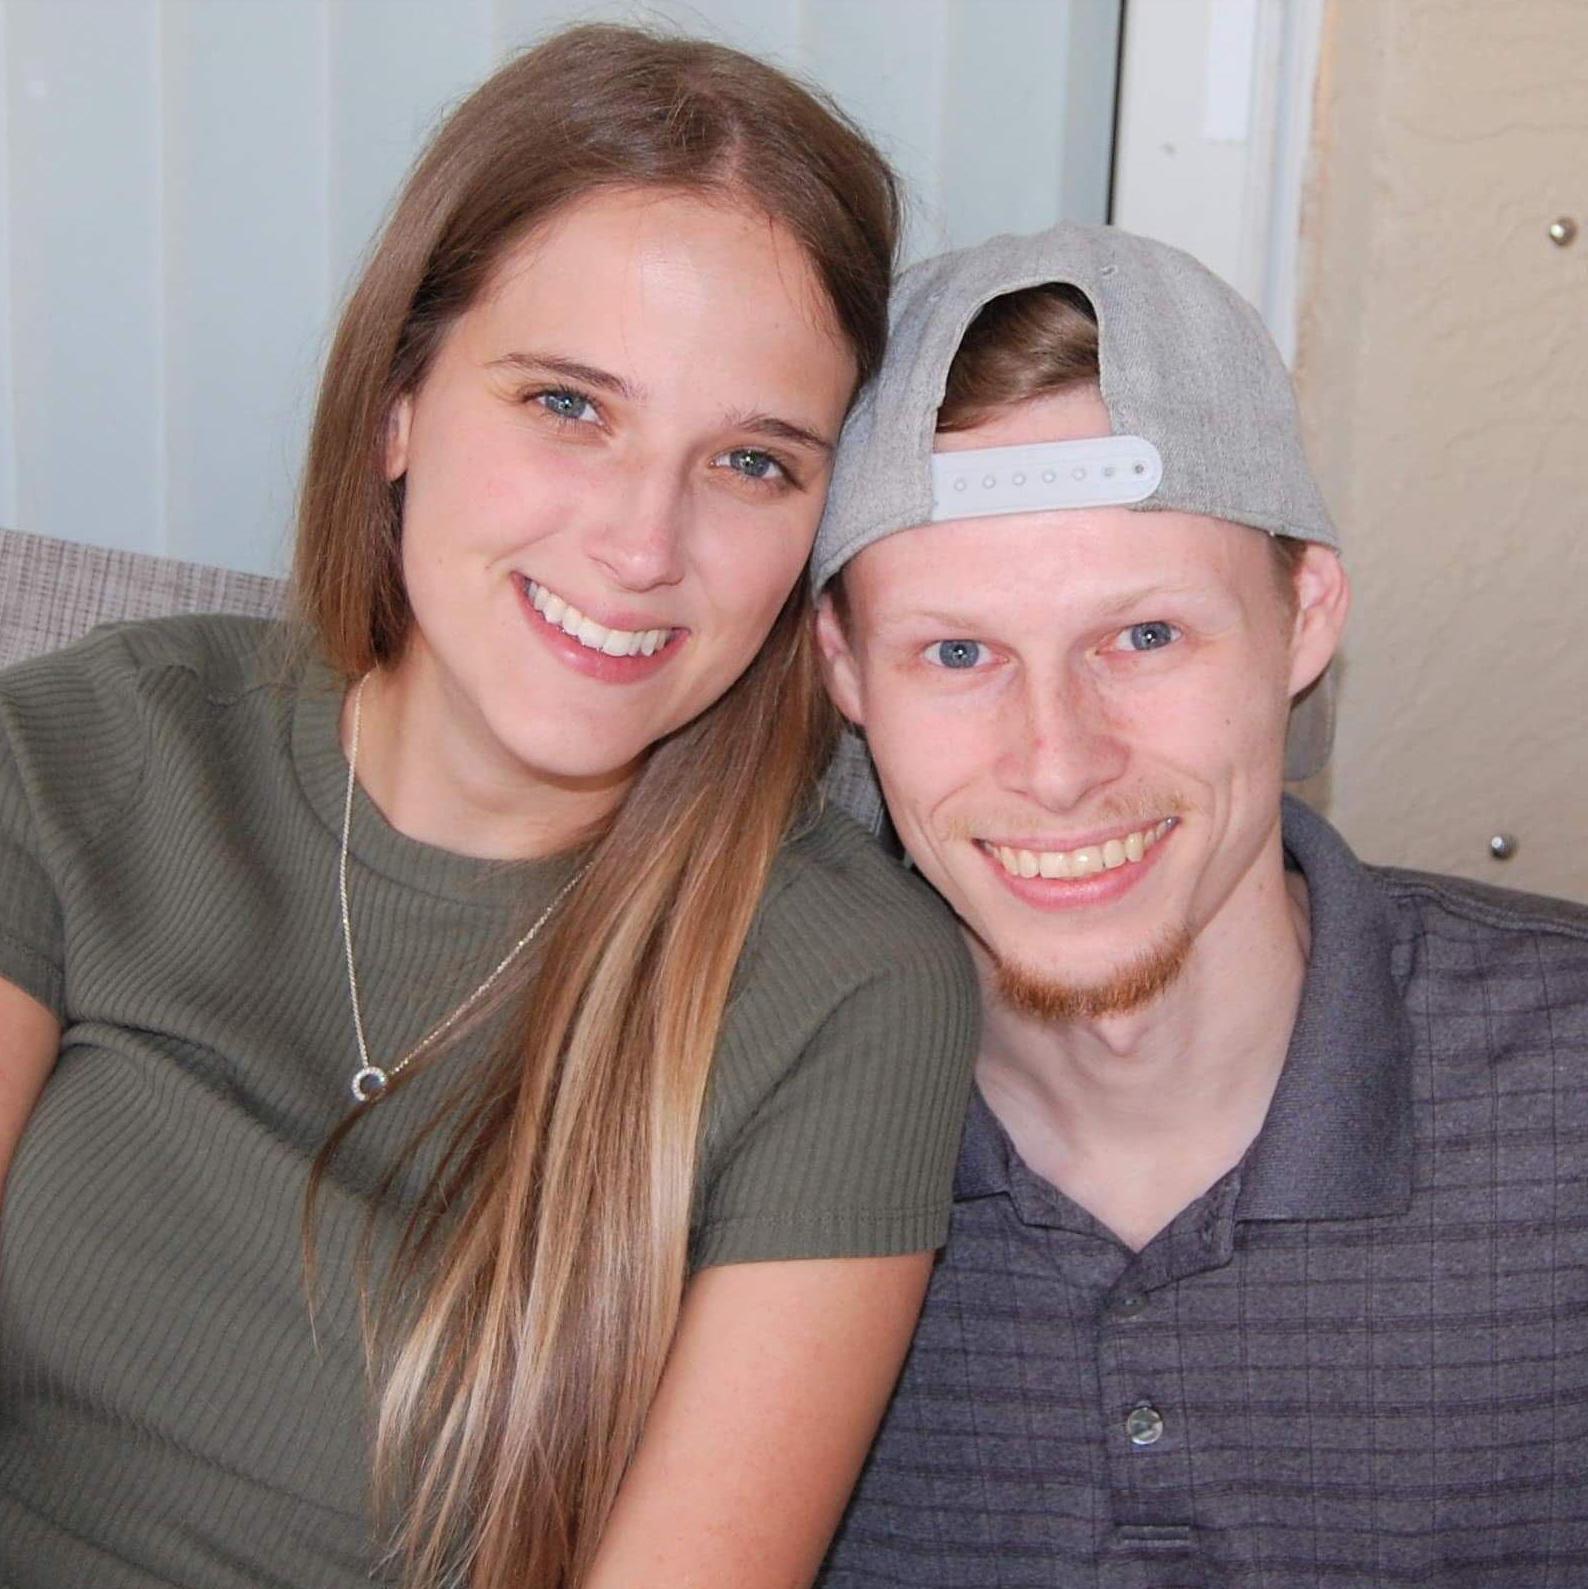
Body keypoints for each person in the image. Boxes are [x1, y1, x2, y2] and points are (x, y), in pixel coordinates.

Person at [0, 27, 980, 1589]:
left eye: (750, 461)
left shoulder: (844, 987)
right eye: (570, 406)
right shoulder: (93, 751)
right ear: (400, 403)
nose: (641, 545)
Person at [809, 221, 1588, 1586]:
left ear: (1308, 615)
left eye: (1146, 635)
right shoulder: (738, 1140)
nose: (1059, 764)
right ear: (844, 668)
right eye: (958, 652)